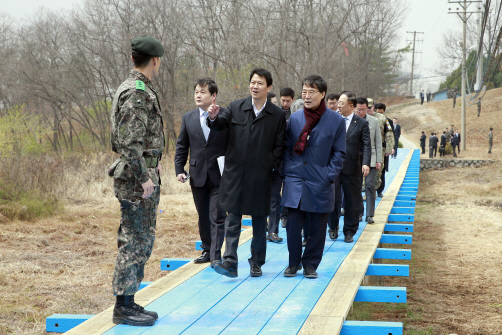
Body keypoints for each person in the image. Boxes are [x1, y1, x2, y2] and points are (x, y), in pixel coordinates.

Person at [207, 68, 286, 278]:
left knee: (260, 221)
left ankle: (256, 262)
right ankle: (230, 263)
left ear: (268, 88)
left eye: (260, 83)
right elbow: (219, 124)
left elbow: (280, 146)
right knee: (233, 219)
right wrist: (213, 118)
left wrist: (270, 164)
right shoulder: (236, 107)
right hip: (235, 175)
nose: (255, 86)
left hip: (261, 176)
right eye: (252, 82)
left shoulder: (276, 115)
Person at [108, 35, 165, 327]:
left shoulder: (135, 88)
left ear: (134, 59)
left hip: (139, 175)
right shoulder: (137, 92)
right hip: (135, 178)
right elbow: (130, 141)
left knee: (140, 239)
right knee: (135, 240)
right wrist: (144, 177)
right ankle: (123, 306)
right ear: (155, 60)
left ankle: (128, 300)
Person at [281, 75, 346, 278]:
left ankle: (310, 264)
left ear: (323, 94)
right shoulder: (295, 118)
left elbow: (339, 153)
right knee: (292, 226)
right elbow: (286, 148)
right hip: (295, 179)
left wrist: (329, 176)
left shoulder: (335, 121)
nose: (307, 96)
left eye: (311, 92)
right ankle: (293, 263)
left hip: (320, 181)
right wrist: (287, 170)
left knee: (317, 229)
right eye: (304, 92)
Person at [174, 78, 228, 267]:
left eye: (203, 92)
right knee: (203, 214)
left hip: (220, 174)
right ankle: (207, 249)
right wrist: (179, 169)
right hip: (197, 174)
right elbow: (182, 146)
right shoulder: (188, 118)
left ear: (213, 96)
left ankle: (216, 255)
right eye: (196, 91)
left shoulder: (225, 115)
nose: (198, 95)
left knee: (217, 215)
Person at [329, 92, 370, 244]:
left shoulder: (361, 123)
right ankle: (332, 226)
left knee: (352, 201)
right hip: (333, 166)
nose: (338, 105)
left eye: (341, 103)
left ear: (351, 106)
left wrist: (365, 163)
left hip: (353, 167)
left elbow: (366, 145)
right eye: (338, 102)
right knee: (333, 199)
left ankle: (349, 231)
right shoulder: (332, 120)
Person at [355, 98, 381, 225]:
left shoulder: (374, 121)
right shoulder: (351, 121)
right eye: (358, 109)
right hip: (355, 158)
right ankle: (359, 212)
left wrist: (379, 160)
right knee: (357, 187)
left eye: (364, 109)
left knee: (369, 185)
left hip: (371, 157)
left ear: (368, 108)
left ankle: (370, 214)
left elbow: (378, 142)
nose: (361, 112)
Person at [278, 87, 295, 229]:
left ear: (292, 100)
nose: (285, 103)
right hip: (278, 156)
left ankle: (285, 215)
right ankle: (279, 216)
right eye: (283, 100)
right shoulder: (276, 113)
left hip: (291, 155)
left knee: (288, 188)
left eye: (287, 101)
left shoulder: (295, 114)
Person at [369, 102, 394, 197]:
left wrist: (389, 148)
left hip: (380, 148)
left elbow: (390, 133)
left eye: (369, 107)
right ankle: (368, 191)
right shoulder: (361, 117)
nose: (367, 109)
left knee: (379, 170)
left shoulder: (382, 118)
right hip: (366, 148)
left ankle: (377, 190)